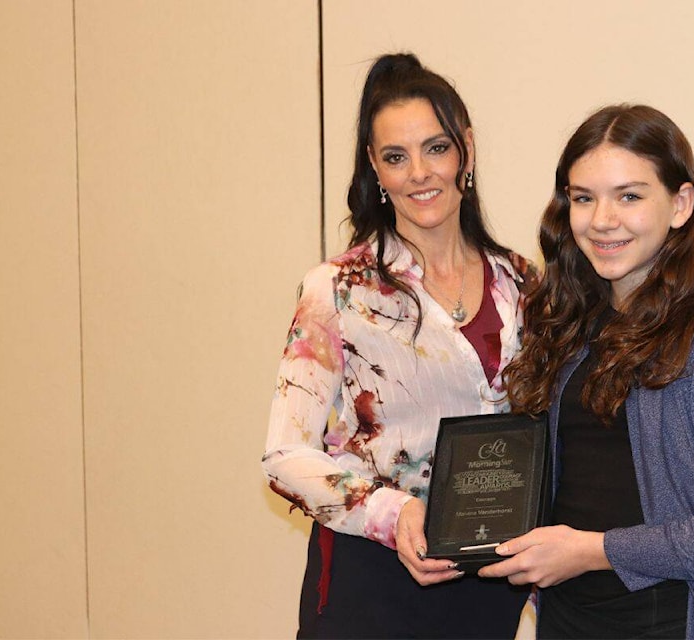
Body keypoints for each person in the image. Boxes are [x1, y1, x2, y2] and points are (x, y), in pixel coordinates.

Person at [478, 104, 694, 639]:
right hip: (567, 621)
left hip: (675, 625)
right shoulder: (561, 322)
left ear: (680, 204)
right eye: (583, 198)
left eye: (629, 195)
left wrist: (592, 550)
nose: (602, 219)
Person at [262, 53, 535, 639]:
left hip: (489, 586)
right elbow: (284, 456)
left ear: (467, 148)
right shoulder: (336, 290)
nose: (419, 173)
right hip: (374, 581)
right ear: (375, 169)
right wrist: (395, 512)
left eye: (436, 148)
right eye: (395, 156)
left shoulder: (523, 283)